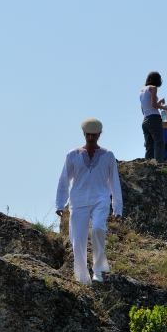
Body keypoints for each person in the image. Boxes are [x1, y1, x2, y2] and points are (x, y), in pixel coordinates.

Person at [55, 118, 123, 284]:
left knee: (98, 229)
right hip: (78, 201)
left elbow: (114, 182)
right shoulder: (72, 155)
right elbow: (64, 180)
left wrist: (117, 207)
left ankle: (98, 270)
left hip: (101, 199)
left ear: (99, 134)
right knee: (78, 240)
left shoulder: (108, 155)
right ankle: (82, 278)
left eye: (94, 135)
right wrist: (60, 203)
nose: (91, 138)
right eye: (88, 135)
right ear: (84, 134)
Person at [140, 71, 167, 162]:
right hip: (154, 118)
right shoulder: (153, 88)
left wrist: (160, 102)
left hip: (145, 119)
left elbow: (145, 107)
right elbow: (154, 105)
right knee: (159, 142)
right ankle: (159, 164)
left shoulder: (142, 91)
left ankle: (148, 164)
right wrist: (163, 107)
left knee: (149, 145)